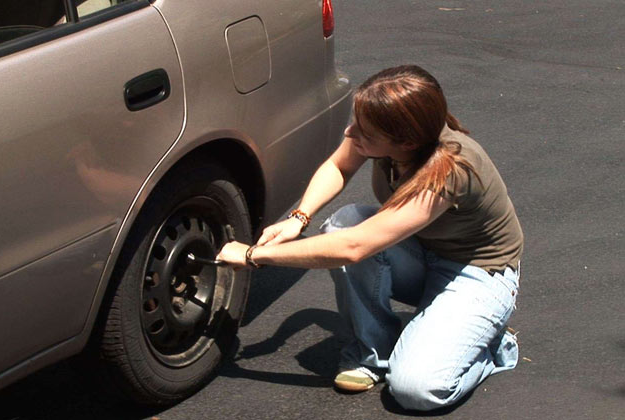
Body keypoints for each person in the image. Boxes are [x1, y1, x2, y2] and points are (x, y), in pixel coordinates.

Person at [217, 65, 523, 411]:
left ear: (406, 142)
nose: (351, 133)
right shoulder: (392, 130)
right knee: (344, 223)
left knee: (417, 390)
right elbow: (338, 167)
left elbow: (354, 248)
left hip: (477, 274)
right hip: (421, 253)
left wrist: (253, 256)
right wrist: (299, 218)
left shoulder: (451, 169)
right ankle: (372, 353)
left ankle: (491, 345)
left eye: (364, 134)